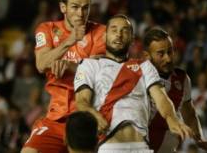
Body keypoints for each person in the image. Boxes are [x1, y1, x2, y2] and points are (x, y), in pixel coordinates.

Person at [74, 14, 193, 153]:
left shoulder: (144, 66)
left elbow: (161, 97)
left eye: (124, 31)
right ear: (104, 36)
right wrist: (92, 113)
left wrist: (171, 119)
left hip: (142, 147)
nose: (119, 34)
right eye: (114, 30)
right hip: (110, 146)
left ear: (132, 39)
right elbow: (82, 101)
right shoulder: (89, 65)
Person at [21, 0, 106, 153]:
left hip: (87, 117)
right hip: (56, 117)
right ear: (63, 8)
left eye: (85, 8)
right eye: (75, 7)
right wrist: (70, 40)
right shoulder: (47, 29)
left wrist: (69, 65)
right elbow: (41, 64)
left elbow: (100, 74)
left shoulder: (100, 33)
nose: (81, 14)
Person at [143, 28, 207, 153]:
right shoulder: (137, 76)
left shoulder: (182, 79)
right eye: (160, 54)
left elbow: (189, 113)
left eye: (170, 51)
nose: (168, 58)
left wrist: (201, 140)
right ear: (147, 56)